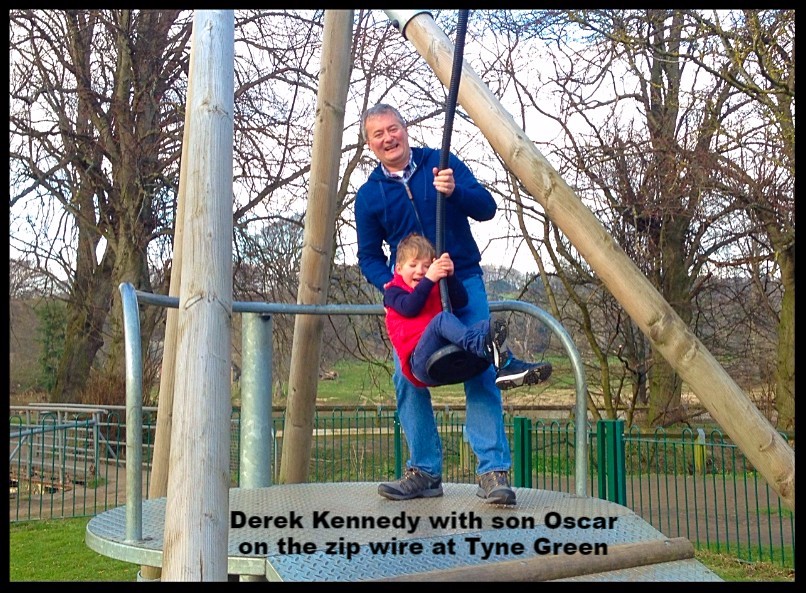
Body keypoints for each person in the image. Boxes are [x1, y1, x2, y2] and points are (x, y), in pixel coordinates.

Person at [355, 103, 551, 506]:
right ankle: (425, 470)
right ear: (369, 143)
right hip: (416, 295)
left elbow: (486, 207)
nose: (388, 138)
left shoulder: (440, 164)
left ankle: (492, 472)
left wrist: (454, 191)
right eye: (378, 134)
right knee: (406, 374)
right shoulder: (369, 196)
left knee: (480, 365)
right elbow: (368, 256)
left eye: (393, 129)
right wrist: (396, 283)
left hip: (461, 279)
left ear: (405, 130)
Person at [384, 233, 551, 390]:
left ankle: (510, 367)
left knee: (485, 326)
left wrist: (450, 276)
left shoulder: (434, 285)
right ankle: (483, 346)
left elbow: (461, 301)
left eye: (426, 266)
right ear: (398, 269)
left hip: (443, 356)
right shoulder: (393, 292)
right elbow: (410, 307)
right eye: (413, 265)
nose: (420, 270)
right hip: (419, 363)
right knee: (442, 319)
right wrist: (429, 279)